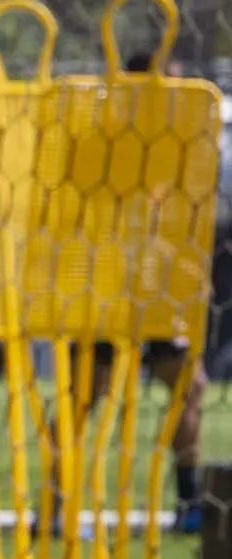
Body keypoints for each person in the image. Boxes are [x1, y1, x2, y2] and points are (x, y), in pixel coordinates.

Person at [45, 49, 208, 534]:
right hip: (105, 290)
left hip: (156, 294)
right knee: (81, 397)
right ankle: (53, 507)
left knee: (189, 387)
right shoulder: (99, 142)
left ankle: (190, 502)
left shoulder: (180, 144)